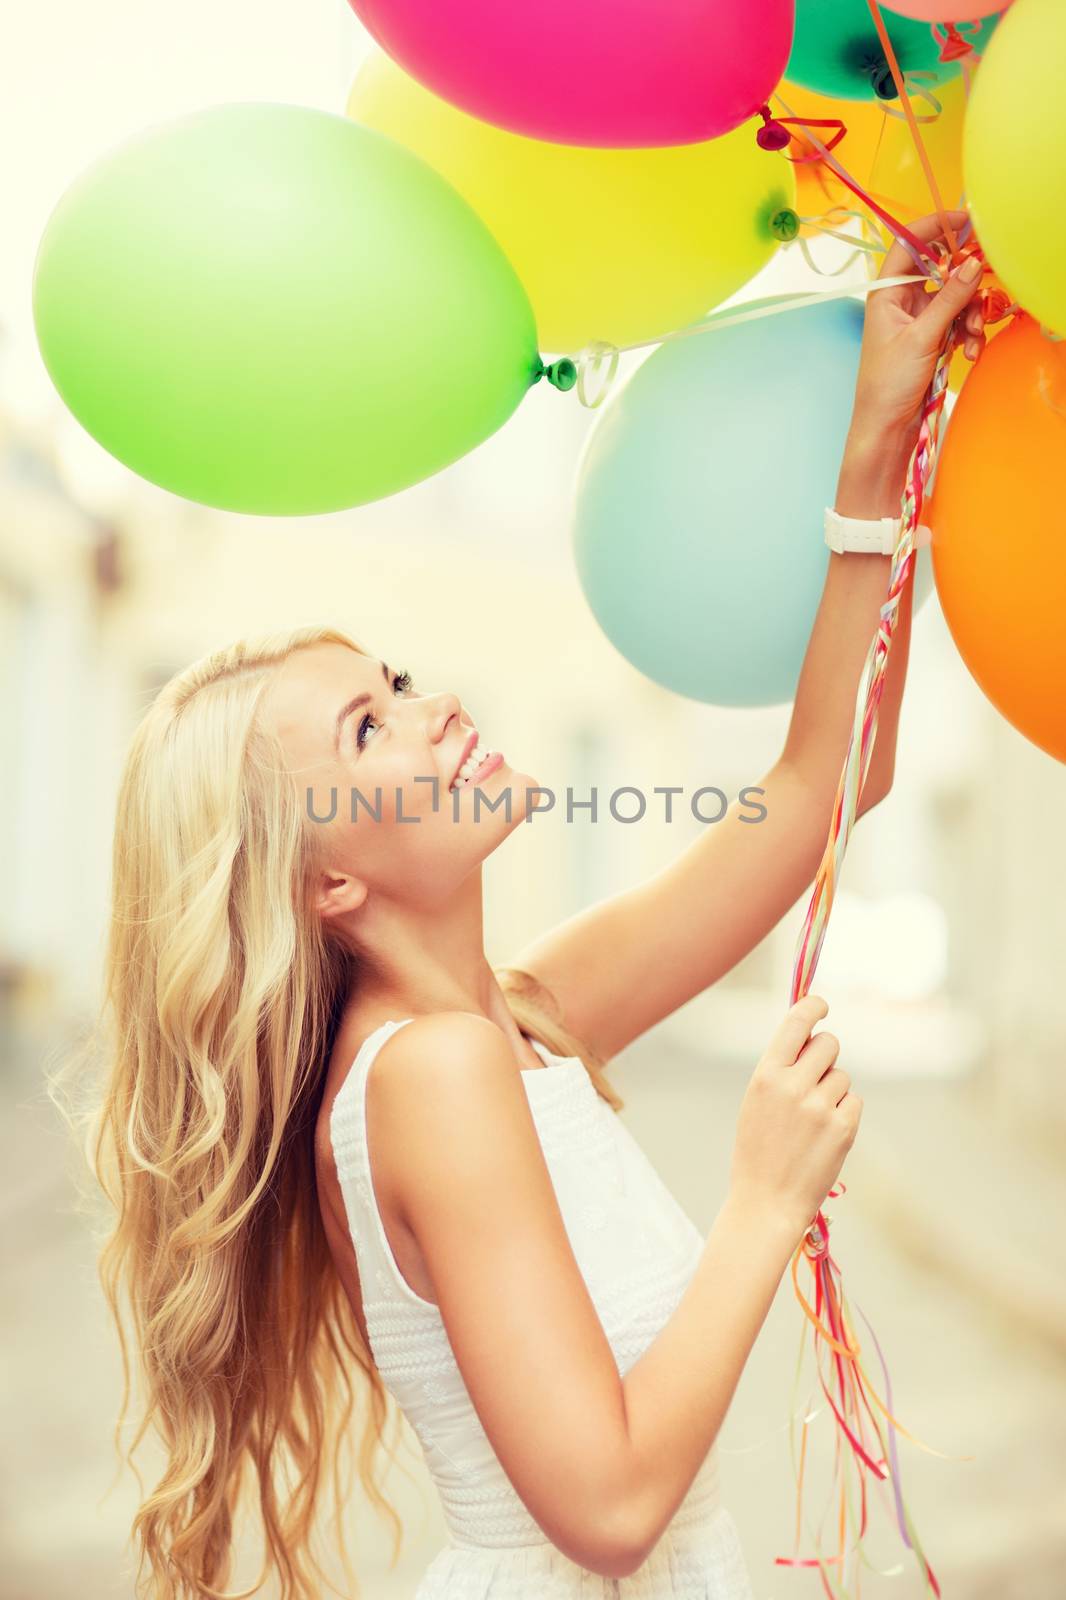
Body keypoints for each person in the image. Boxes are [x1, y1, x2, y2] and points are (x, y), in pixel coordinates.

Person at [64, 212, 985, 1598]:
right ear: (325, 883)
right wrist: (759, 1195)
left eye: (393, 681)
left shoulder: (517, 1018)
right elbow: (606, 1511)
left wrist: (882, 439)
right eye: (370, 731)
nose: (431, 709)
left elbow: (820, 786)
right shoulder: (431, 1076)